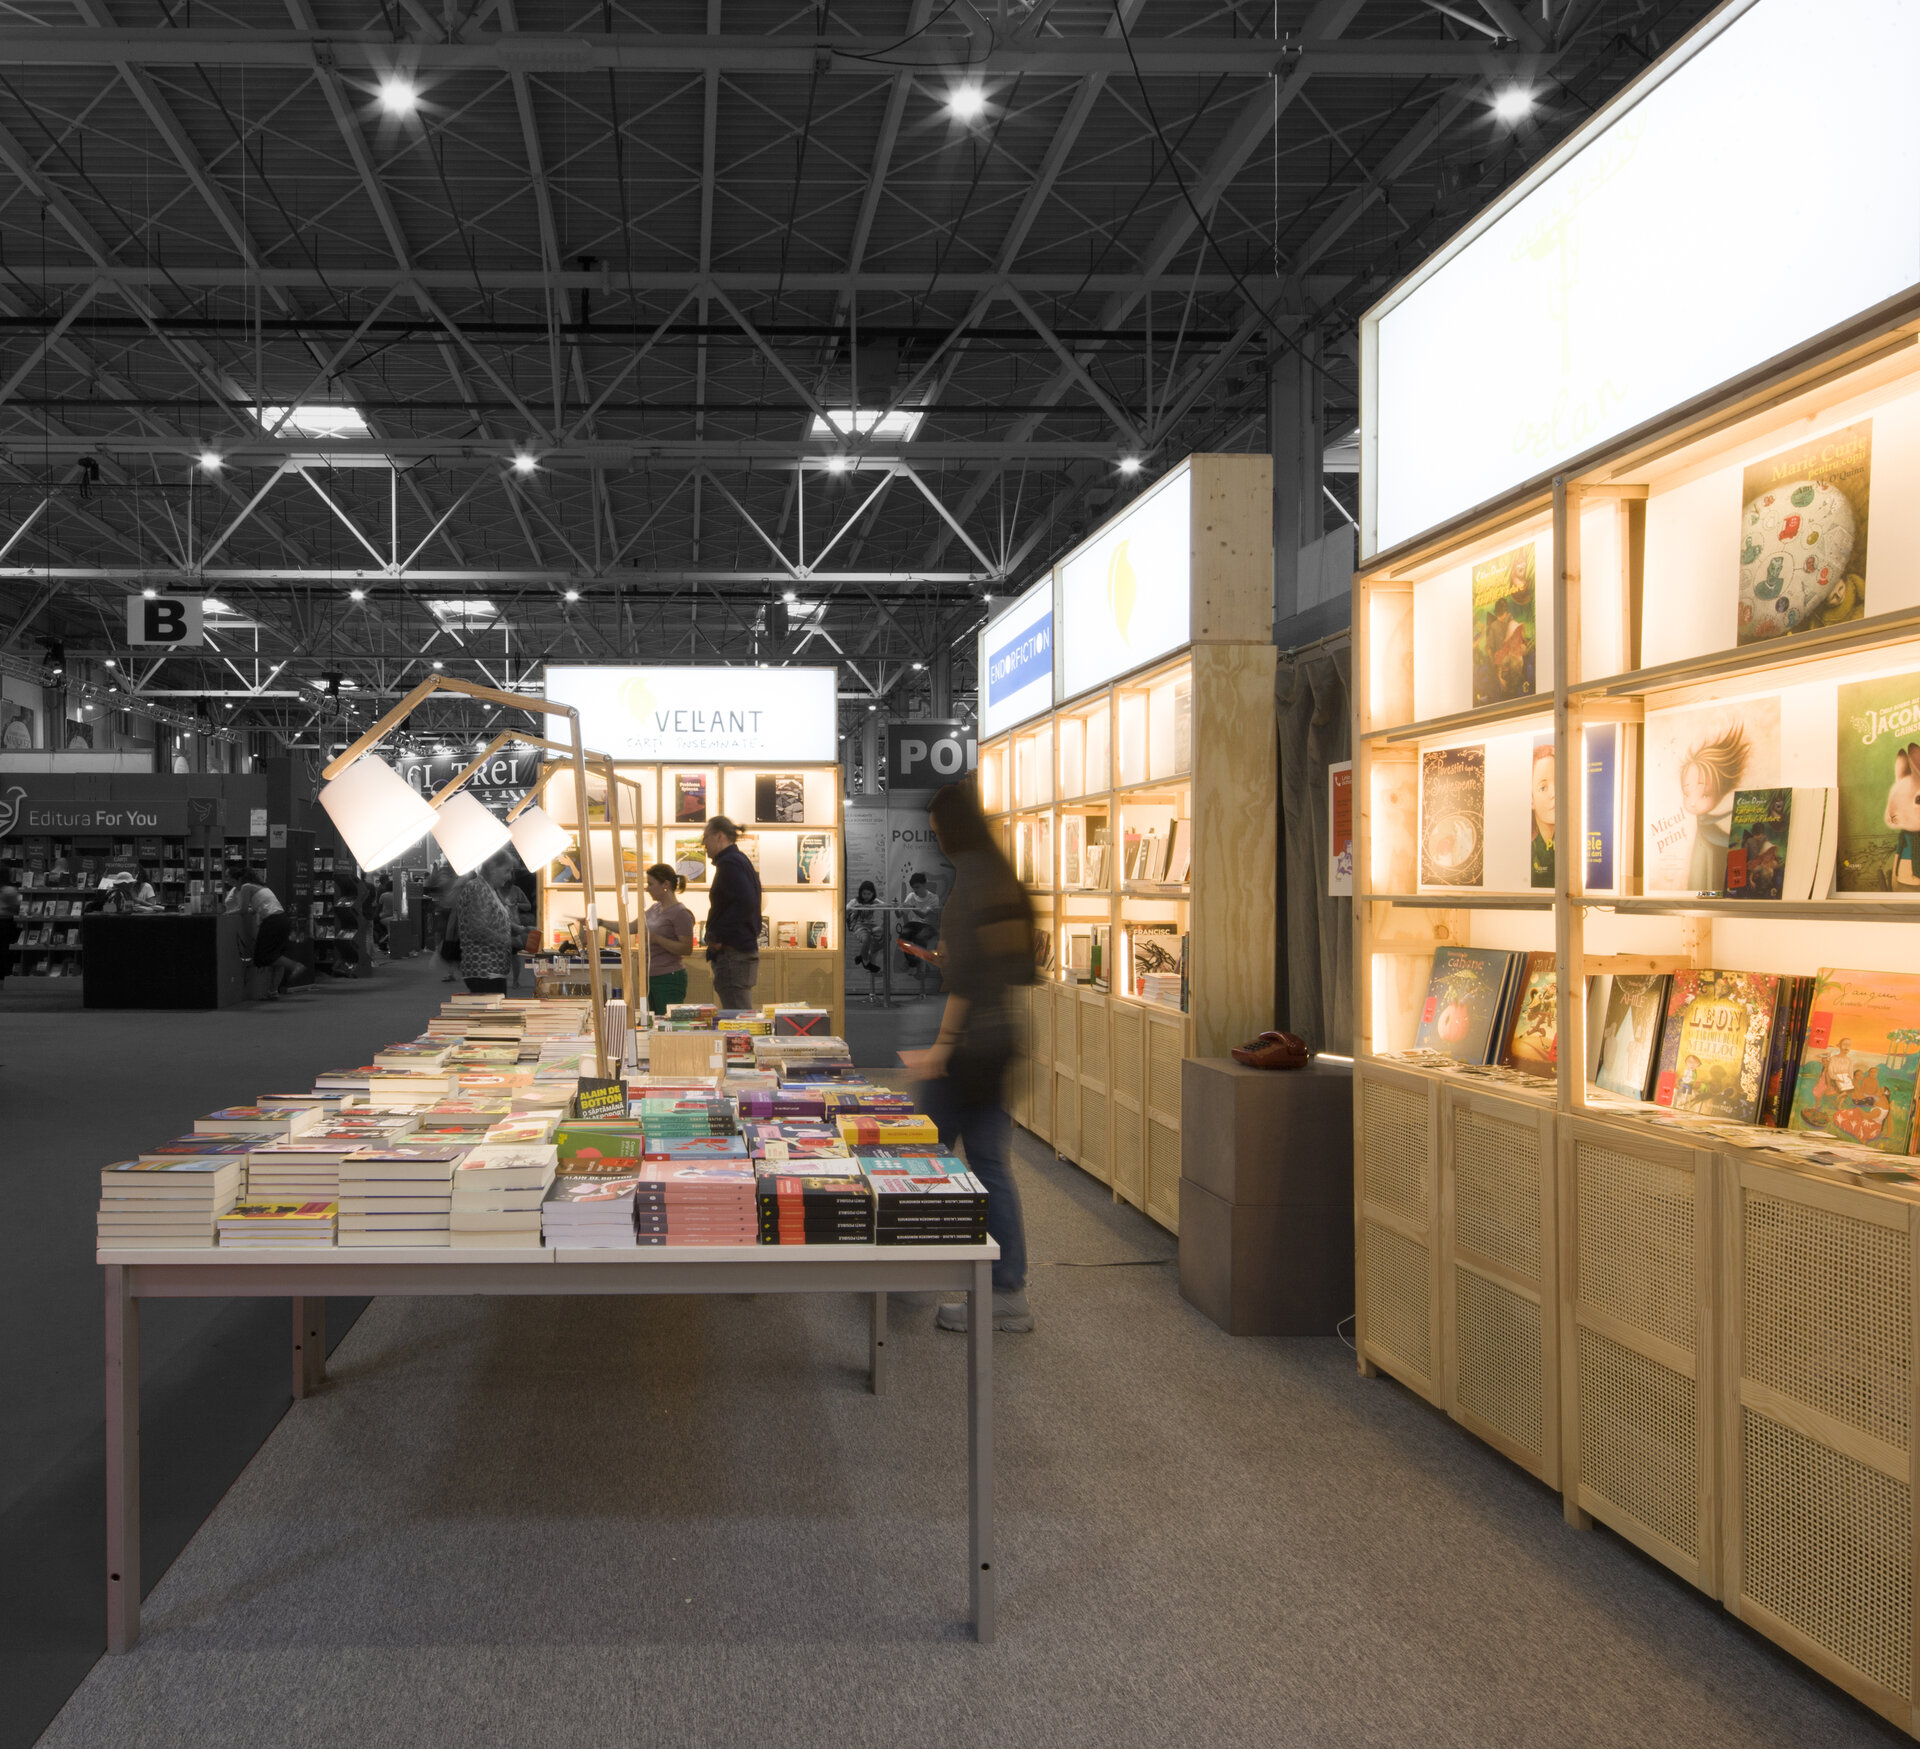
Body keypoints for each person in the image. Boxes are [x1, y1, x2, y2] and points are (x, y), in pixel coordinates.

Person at [905, 782, 1036, 1335]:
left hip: (969, 1049)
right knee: (987, 1164)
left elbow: (970, 983)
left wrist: (943, 1045)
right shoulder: (1003, 879)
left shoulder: (972, 885)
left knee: (922, 1156)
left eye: (938, 831)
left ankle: (909, 1268)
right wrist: (946, 960)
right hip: (1001, 1041)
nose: (937, 840)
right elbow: (1008, 968)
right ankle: (1006, 1291)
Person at [702, 814, 762, 1012]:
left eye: (706, 837)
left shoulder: (730, 863)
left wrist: (718, 936)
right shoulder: (739, 861)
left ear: (720, 836)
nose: (703, 844)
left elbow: (745, 902)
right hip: (739, 952)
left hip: (732, 954)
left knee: (738, 1018)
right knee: (739, 1013)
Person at [225, 864, 307, 999]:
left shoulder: (246, 887)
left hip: (272, 922)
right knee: (276, 955)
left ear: (239, 879)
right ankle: (273, 991)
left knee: (263, 957)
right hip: (282, 920)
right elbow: (256, 908)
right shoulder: (260, 887)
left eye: (233, 881)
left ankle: (294, 965)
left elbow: (243, 909)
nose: (232, 884)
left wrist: (227, 913)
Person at [452, 857, 516, 995]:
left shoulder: (490, 889)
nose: (509, 876)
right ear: (492, 868)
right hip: (484, 969)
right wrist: (508, 940)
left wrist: (519, 929)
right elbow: (477, 929)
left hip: (492, 969)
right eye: (507, 871)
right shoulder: (477, 888)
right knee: (490, 1007)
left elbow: (493, 921)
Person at [643, 863, 697, 1017]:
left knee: (667, 1021)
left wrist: (657, 939)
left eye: (651, 884)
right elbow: (632, 926)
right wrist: (599, 922)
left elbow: (686, 948)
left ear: (665, 885)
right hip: (651, 977)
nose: (647, 889)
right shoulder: (655, 908)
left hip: (669, 978)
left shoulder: (681, 913)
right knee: (651, 1021)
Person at [847, 879, 884, 974]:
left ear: (873, 894)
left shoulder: (874, 901)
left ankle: (862, 955)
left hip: (871, 925)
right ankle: (866, 963)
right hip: (858, 925)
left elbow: (885, 905)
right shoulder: (855, 901)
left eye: (869, 894)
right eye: (864, 894)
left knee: (886, 936)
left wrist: (876, 906)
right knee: (866, 939)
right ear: (860, 893)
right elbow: (845, 909)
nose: (866, 896)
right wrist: (855, 907)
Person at [0, 873, 19, 989]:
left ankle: (3, 975)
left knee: (3, 949)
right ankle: (5, 975)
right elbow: (15, 906)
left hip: (5, 922)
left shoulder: (7, 890)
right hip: (6, 922)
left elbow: (13, 906)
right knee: (5, 949)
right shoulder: (10, 890)